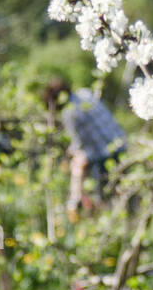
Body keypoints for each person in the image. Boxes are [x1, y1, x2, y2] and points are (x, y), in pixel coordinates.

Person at [42, 77, 127, 211]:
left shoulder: (69, 113)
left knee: (104, 193)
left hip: (103, 154)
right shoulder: (84, 93)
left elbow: (79, 146)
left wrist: (70, 156)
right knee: (122, 189)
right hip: (120, 144)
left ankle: (78, 202)